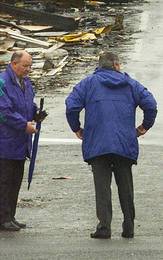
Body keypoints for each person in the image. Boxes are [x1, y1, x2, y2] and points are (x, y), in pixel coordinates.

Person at [65, 52, 157, 239]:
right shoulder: (131, 84)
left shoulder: (88, 83)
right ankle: (129, 227)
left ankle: (104, 228)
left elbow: (71, 106)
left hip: (98, 143)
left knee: (102, 187)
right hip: (124, 142)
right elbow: (151, 104)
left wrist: (77, 128)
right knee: (125, 185)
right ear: (116, 64)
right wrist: (144, 127)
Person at [0, 51, 45, 232]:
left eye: (29, 66)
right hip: (5, 141)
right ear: (14, 64)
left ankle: (10, 215)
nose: (28, 69)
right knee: (3, 182)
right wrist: (23, 125)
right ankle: (3, 218)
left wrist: (36, 113)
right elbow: (4, 112)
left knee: (15, 180)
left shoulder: (25, 82)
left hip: (20, 142)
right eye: (25, 66)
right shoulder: (2, 83)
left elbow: (28, 103)